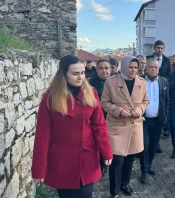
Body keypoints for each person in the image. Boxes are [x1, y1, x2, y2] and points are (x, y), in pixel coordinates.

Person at [31, 55, 113, 198]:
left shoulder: (91, 93)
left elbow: (99, 125)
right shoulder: (50, 98)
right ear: (64, 74)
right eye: (75, 73)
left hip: (87, 159)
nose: (80, 77)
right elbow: (43, 134)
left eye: (82, 73)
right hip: (61, 161)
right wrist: (39, 167)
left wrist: (106, 151)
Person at [101, 55, 149, 197]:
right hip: (117, 126)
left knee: (130, 159)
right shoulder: (111, 82)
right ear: (124, 66)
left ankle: (125, 183)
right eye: (130, 67)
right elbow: (105, 102)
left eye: (135, 67)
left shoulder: (142, 82)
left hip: (135, 125)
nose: (133, 70)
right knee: (117, 160)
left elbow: (145, 101)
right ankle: (114, 191)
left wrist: (139, 110)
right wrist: (118, 111)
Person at [139, 58, 169, 184]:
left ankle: (149, 164)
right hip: (143, 120)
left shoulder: (163, 81)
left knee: (153, 146)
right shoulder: (139, 81)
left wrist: (164, 116)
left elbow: (166, 100)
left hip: (157, 120)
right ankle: (144, 171)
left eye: (156, 67)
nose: (154, 69)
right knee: (144, 146)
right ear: (146, 68)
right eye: (151, 67)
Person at [88, 59, 112, 176]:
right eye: (101, 68)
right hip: (96, 119)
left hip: (113, 118)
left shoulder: (116, 82)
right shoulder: (89, 85)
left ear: (111, 69)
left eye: (106, 68)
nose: (104, 71)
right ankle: (101, 163)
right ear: (96, 70)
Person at [147, 41, 171, 137]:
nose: (160, 50)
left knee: (161, 107)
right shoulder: (148, 58)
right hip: (149, 83)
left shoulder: (166, 60)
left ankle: (162, 129)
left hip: (161, 86)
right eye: (158, 48)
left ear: (164, 49)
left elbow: (168, 73)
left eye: (162, 48)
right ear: (154, 48)